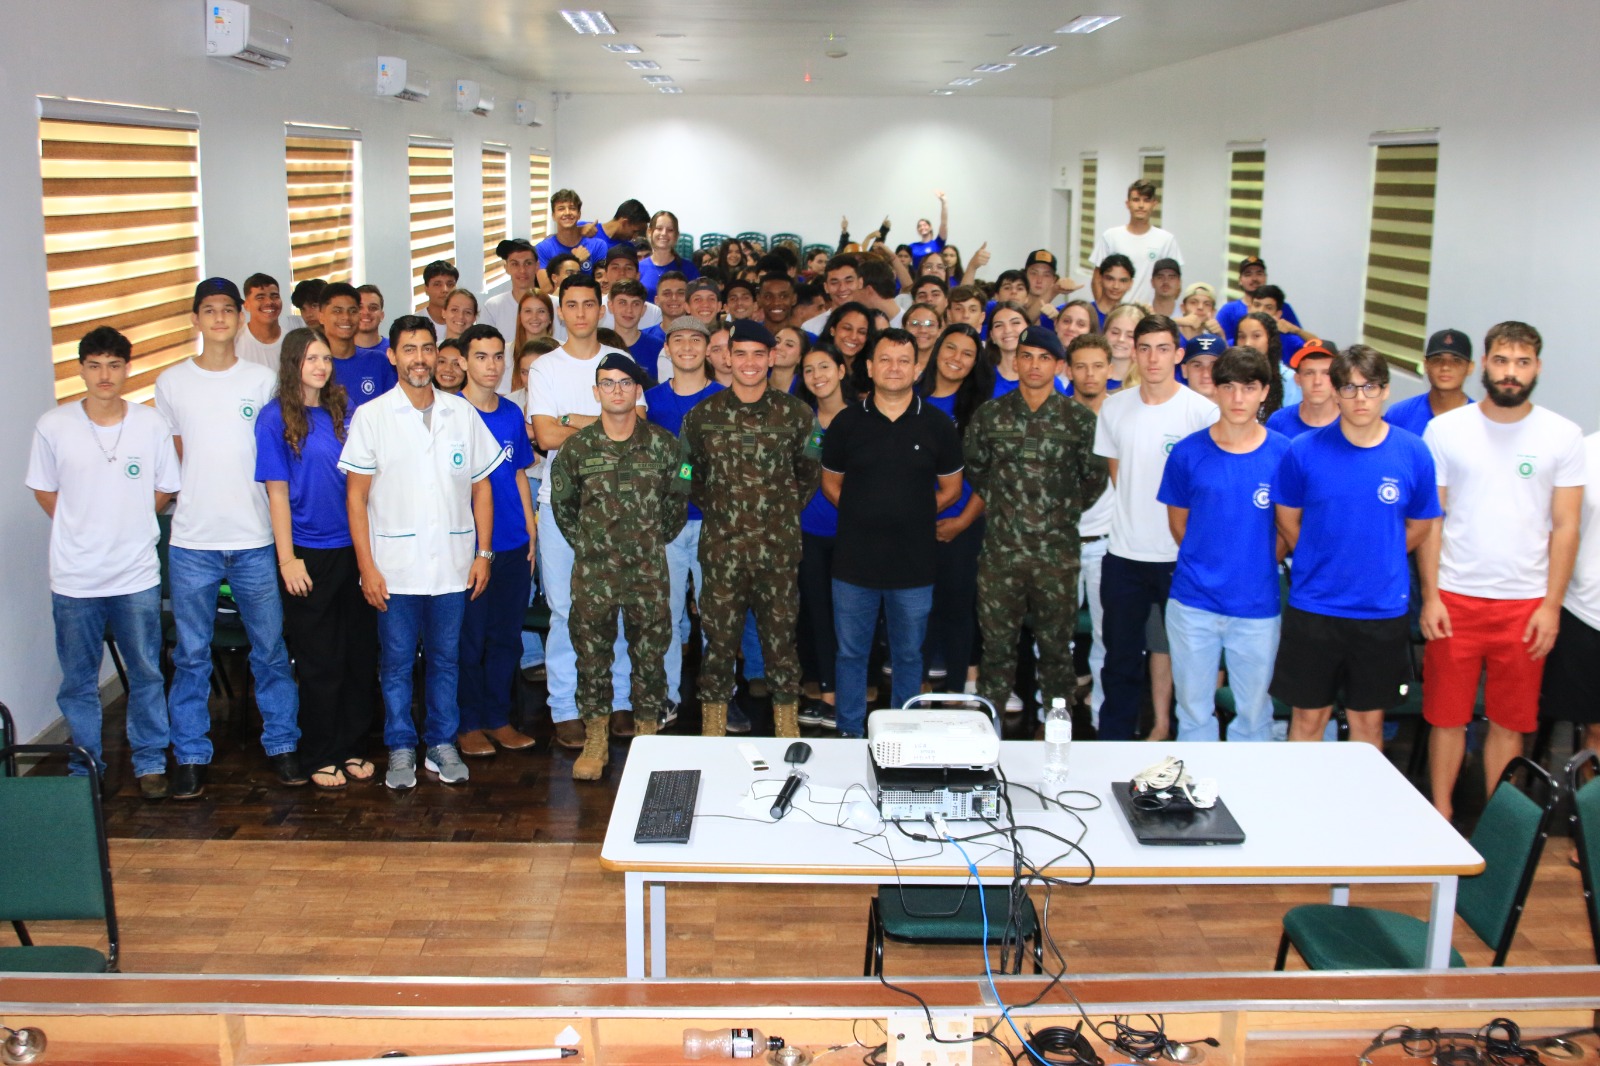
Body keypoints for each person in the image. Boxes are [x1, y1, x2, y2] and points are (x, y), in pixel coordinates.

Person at [1419, 321, 1583, 819]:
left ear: (1537, 368)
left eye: (1523, 362)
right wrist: (1430, 597)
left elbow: (1566, 527)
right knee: (1447, 720)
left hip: (1526, 607)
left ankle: (1495, 823)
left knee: (1508, 723)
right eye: (1502, 361)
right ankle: (1442, 815)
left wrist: (1551, 607)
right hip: (1454, 600)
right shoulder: (1445, 430)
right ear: (1484, 364)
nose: (1511, 372)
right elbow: (1432, 521)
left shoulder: (1563, 434)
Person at [340, 315, 504, 790]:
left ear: (438, 355)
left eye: (427, 348)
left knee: (446, 659)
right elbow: (356, 498)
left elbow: (482, 489)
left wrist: (484, 554)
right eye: (409, 349)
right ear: (392, 356)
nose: (419, 359)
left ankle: (441, 742)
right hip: (393, 569)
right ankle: (400, 747)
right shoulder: (372, 417)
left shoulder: (461, 413)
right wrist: (367, 567)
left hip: (454, 564)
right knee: (394, 662)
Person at [156, 278, 302, 799]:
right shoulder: (170, 382)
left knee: (269, 650)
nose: (219, 318)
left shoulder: (261, 380)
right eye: (208, 311)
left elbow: (277, 459)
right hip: (193, 540)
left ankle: (283, 744)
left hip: (255, 537)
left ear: (241, 318)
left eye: (227, 310)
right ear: (195, 319)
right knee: (191, 655)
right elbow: (174, 457)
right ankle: (191, 754)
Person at [28, 326, 180, 797]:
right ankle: (85, 768)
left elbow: (165, 487)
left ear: (127, 368)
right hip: (74, 578)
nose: (104, 375)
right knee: (78, 681)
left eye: (114, 365)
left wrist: (128, 523)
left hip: (135, 574)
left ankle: (150, 761)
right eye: (94, 365)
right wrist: (82, 526)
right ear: (81, 370)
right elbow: (44, 490)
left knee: (146, 672)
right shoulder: (53, 426)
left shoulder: (150, 424)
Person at [1270, 345, 1441, 748]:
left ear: (1385, 391)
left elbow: (1422, 524)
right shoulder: (1303, 451)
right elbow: (1287, 518)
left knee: (1368, 728)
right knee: (1308, 721)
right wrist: (1320, 553)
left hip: (1380, 611)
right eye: (1349, 388)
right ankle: (1298, 808)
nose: (1359, 398)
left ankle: (1362, 810)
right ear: (1334, 391)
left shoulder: (1413, 451)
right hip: (1315, 607)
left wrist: (1377, 553)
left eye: (1370, 387)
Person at [821, 329, 964, 736]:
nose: (894, 368)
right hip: (853, 562)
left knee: (908, 655)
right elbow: (830, 483)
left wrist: (914, 513)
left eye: (904, 360)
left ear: (918, 369)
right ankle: (849, 732)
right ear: (869, 368)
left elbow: (952, 489)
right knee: (851, 654)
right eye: (885, 359)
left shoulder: (938, 424)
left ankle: (902, 734)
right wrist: (863, 511)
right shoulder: (847, 423)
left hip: (914, 564)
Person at [550, 353, 685, 777]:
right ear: (596, 392)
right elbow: (564, 508)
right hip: (594, 573)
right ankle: (595, 741)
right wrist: (595, 546)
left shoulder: (665, 445)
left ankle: (647, 736)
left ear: (637, 390)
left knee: (650, 655)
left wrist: (645, 541)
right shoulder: (577, 448)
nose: (617, 391)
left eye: (625, 383)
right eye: (607, 384)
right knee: (592, 656)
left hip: (648, 571)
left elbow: (677, 503)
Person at [681, 319, 818, 737]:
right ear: (726, 357)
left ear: (772, 357)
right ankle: (713, 727)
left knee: (781, 643)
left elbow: (810, 472)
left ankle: (786, 725)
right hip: (722, 552)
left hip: (777, 553)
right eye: (740, 353)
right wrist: (724, 509)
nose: (750, 362)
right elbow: (687, 475)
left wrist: (777, 512)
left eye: (760, 354)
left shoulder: (797, 414)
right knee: (718, 643)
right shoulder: (702, 415)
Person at [255, 327, 376, 792]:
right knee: (321, 660)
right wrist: (287, 560)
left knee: (359, 655)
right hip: (308, 554)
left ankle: (351, 745)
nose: (321, 366)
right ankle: (321, 751)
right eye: (311, 359)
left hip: (358, 549)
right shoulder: (273, 419)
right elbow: (278, 494)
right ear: (292, 365)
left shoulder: (343, 410)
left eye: (326, 358)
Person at [967, 326, 1107, 721]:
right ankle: (988, 728)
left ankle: (1054, 729)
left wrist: (1057, 513)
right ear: (1015, 361)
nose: (1034, 364)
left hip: (1056, 555)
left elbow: (1093, 479)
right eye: (1026, 356)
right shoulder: (991, 415)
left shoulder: (1078, 420)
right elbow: (978, 470)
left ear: (1059, 365)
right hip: (1001, 554)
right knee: (996, 648)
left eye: (1044, 357)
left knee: (1057, 649)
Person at [1092, 314, 1220, 741]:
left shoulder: (1202, 413)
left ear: (1179, 355)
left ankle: (1190, 750)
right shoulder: (1114, 406)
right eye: (1144, 347)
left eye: (1163, 348)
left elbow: (1207, 489)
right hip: (1124, 556)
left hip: (1179, 559)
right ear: (1134, 351)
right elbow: (1118, 474)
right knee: (1120, 662)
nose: (1152, 358)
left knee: (1190, 662)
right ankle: (1112, 746)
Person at [528, 275, 641, 745]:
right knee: (563, 609)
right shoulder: (545, 369)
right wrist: (603, 421)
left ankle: (617, 702)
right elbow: (546, 436)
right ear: (561, 311)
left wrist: (572, 418)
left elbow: (637, 425)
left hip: (617, 505)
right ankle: (565, 707)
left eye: (588, 305)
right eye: (570, 305)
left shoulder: (621, 362)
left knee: (615, 605)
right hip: (562, 506)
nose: (579, 313)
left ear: (601, 311)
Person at [1159, 346, 1290, 742]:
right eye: (1228, 387)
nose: (1238, 398)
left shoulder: (1285, 454)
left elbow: (1288, 530)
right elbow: (1179, 526)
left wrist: (1253, 567)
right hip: (1192, 604)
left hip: (1256, 606)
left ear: (1264, 392)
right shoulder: (1187, 453)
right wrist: (1209, 566)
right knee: (1193, 713)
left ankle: (1250, 798)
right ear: (1213, 390)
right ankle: (1194, 800)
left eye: (1248, 388)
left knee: (1253, 716)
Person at [455, 324, 539, 759]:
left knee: (507, 637)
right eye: (481, 356)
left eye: (497, 356)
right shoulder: (449, 412)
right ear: (464, 362)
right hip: (467, 549)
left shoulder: (509, 413)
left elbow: (520, 473)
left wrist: (531, 529)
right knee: (470, 639)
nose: (491, 365)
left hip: (511, 542)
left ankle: (498, 719)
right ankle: (467, 722)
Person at [645, 316, 724, 723]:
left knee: (715, 614)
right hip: (667, 524)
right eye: (679, 340)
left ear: (708, 348)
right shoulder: (649, 401)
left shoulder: (726, 398)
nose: (688, 347)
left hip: (715, 523)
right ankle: (667, 695)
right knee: (667, 614)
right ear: (667, 348)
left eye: (697, 339)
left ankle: (718, 699)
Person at [917, 323, 992, 697]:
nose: (956, 358)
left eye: (967, 353)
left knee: (958, 612)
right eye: (950, 348)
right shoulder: (912, 398)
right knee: (916, 613)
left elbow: (990, 473)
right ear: (936, 350)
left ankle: (959, 694)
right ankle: (920, 691)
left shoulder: (983, 408)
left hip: (963, 525)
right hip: (911, 528)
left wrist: (963, 521)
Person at [795, 344, 852, 729]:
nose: (818, 375)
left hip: (853, 532)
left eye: (825, 367)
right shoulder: (802, 420)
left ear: (842, 370)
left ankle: (845, 696)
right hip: (810, 531)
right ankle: (826, 694)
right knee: (815, 612)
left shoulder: (863, 418)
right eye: (810, 369)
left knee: (849, 616)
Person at [1539, 427, 1600, 780]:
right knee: (1595, 731)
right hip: (1586, 612)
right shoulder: (1584, 453)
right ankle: (1593, 829)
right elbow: (1558, 529)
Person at [1066, 333, 1116, 728]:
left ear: (1110, 369)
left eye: (1098, 365)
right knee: (1054, 637)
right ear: (1068, 370)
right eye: (1080, 365)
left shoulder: (1123, 415)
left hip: (1108, 544)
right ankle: (1051, 709)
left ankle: (1102, 712)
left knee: (1107, 637)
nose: (1089, 374)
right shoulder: (1055, 416)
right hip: (1060, 542)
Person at [1090, 181, 1183, 307]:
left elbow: (1175, 285)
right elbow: (1096, 280)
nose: (1141, 205)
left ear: (1154, 204)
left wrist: (1159, 313)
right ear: (1128, 204)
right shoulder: (1110, 237)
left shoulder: (1166, 240)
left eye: (1146, 200)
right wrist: (1105, 313)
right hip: (1115, 315)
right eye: (1136, 200)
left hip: (1150, 317)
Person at [1385, 328, 1475, 436]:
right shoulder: (1399, 415)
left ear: (1470, 368)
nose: (1445, 367)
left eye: (1456, 361)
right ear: (1426, 365)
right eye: (1437, 359)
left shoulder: (1479, 421)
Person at [1216, 256, 1301, 343]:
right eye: (1248, 274)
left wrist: (1296, 330)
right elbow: (1220, 346)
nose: (1254, 279)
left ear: (1265, 277)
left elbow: (1304, 342)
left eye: (1259, 274)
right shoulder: (1228, 311)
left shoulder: (1284, 307)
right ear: (1240, 280)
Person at [1265, 342, 1339, 438]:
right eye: (1309, 373)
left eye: (1326, 373)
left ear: (1338, 377)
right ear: (1297, 379)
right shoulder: (1278, 422)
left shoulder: (1351, 422)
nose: (1317, 381)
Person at [535, 189, 610, 279]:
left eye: (572, 208)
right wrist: (575, 260)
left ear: (579, 214)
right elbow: (547, 290)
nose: (567, 213)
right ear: (553, 216)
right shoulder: (542, 248)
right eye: (561, 209)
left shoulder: (598, 246)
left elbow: (602, 285)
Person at [482, 239, 540, 354]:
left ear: (537, 266)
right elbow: (485, 348)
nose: (522, 270)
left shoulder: (555, 304)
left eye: (528, 263)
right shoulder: (493, 307)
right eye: (515, 264)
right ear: (506, 268)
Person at [639, 210, 699, 299]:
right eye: (659, 228)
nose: (664, 233)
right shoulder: (639, 268)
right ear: (649, 232)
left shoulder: (689, 269)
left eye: (670, 230)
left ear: (676, 235)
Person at [236, 273, 286, 372]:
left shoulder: (292, 342)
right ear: (246, 305)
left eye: (275, 296)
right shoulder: (234, 343)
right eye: (260, 297)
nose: (269, 302)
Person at [418, 260, 459, 335]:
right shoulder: (416, 324)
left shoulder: (462, 322)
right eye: (437, 284)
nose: (445, 290)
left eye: (450, 284)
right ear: (426, 289)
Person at [907, 191, 949, 264]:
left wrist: (944, 202)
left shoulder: (938, 243)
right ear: (917, 230)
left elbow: (943, 223)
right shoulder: (912, 246)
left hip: (934, 274)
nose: (922, 227)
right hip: (917, 275)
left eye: (925, 225)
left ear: (930, 227)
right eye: (919, 226)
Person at [1181, 334, 1225, 402]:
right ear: (1184, 370)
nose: (1206, 374)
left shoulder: (1241, 410)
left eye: (1214, 366)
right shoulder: (1171, 411)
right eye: (1197, 366)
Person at [903, 302, 942, 375]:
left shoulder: (945, 367)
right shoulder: (894, 365)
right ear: (904, 328)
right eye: (915, 324)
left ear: (939, 331)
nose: (922, 330)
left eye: (930, 325)